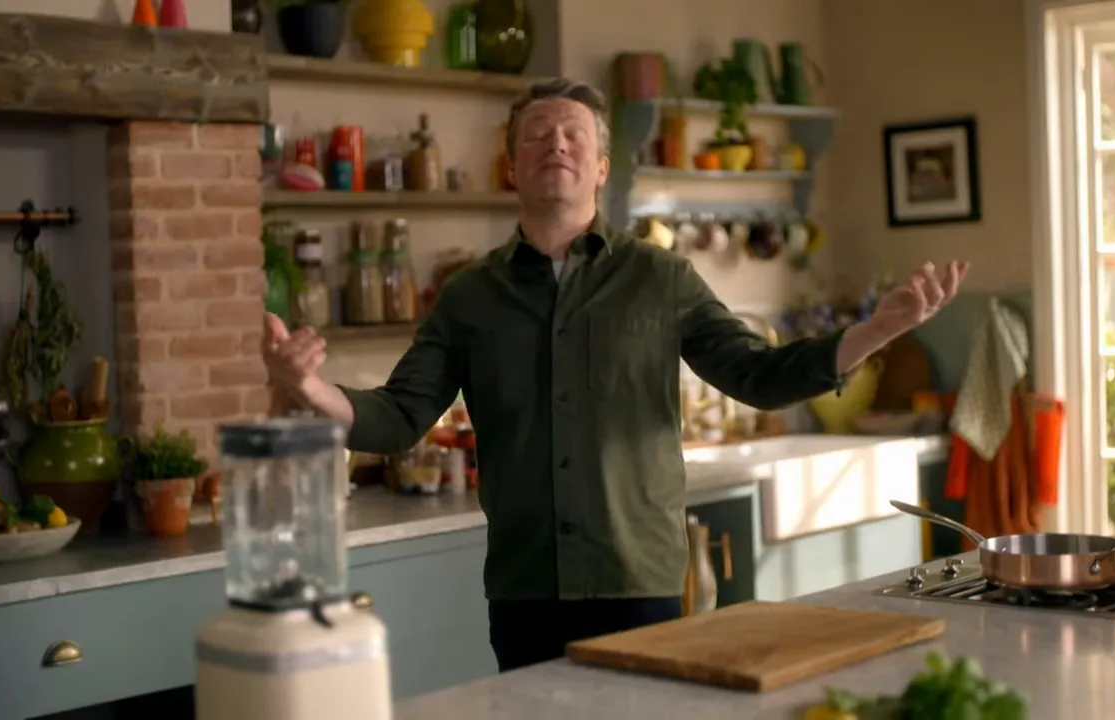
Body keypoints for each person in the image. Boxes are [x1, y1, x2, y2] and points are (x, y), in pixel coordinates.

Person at [262, 78, 969, 673]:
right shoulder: (469, 296)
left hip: (640, 579)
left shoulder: (661, 278)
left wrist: (879, 328)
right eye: (537, 134)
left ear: (602, 167)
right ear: (513, 165)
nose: (556, 144)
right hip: (525, 587)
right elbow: (400, 414)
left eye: (573, 133)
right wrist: (311, 390)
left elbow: (758, 377)